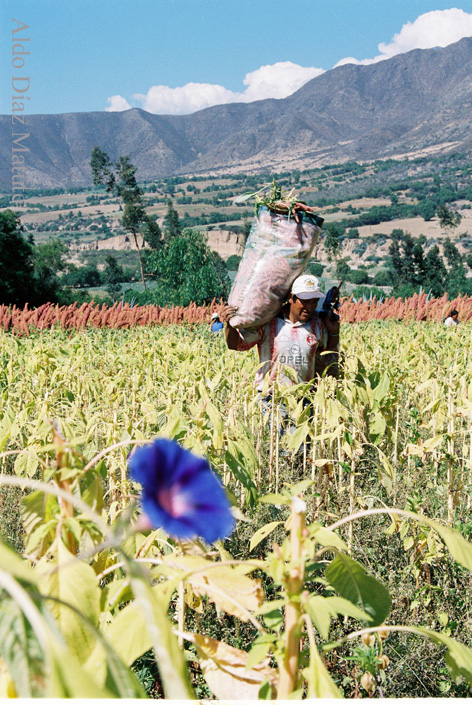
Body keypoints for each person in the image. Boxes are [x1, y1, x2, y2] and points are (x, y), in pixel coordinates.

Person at [221, 274, 340, 392]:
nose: (309, 307)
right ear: (291, 297)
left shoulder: (317, 324)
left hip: (304, 397)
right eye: (305, 301)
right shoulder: (268, 322)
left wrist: (334, 333)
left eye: (314, 302)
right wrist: (230, 325)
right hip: (272, 398)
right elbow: (235, 344)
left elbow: (327, 350)